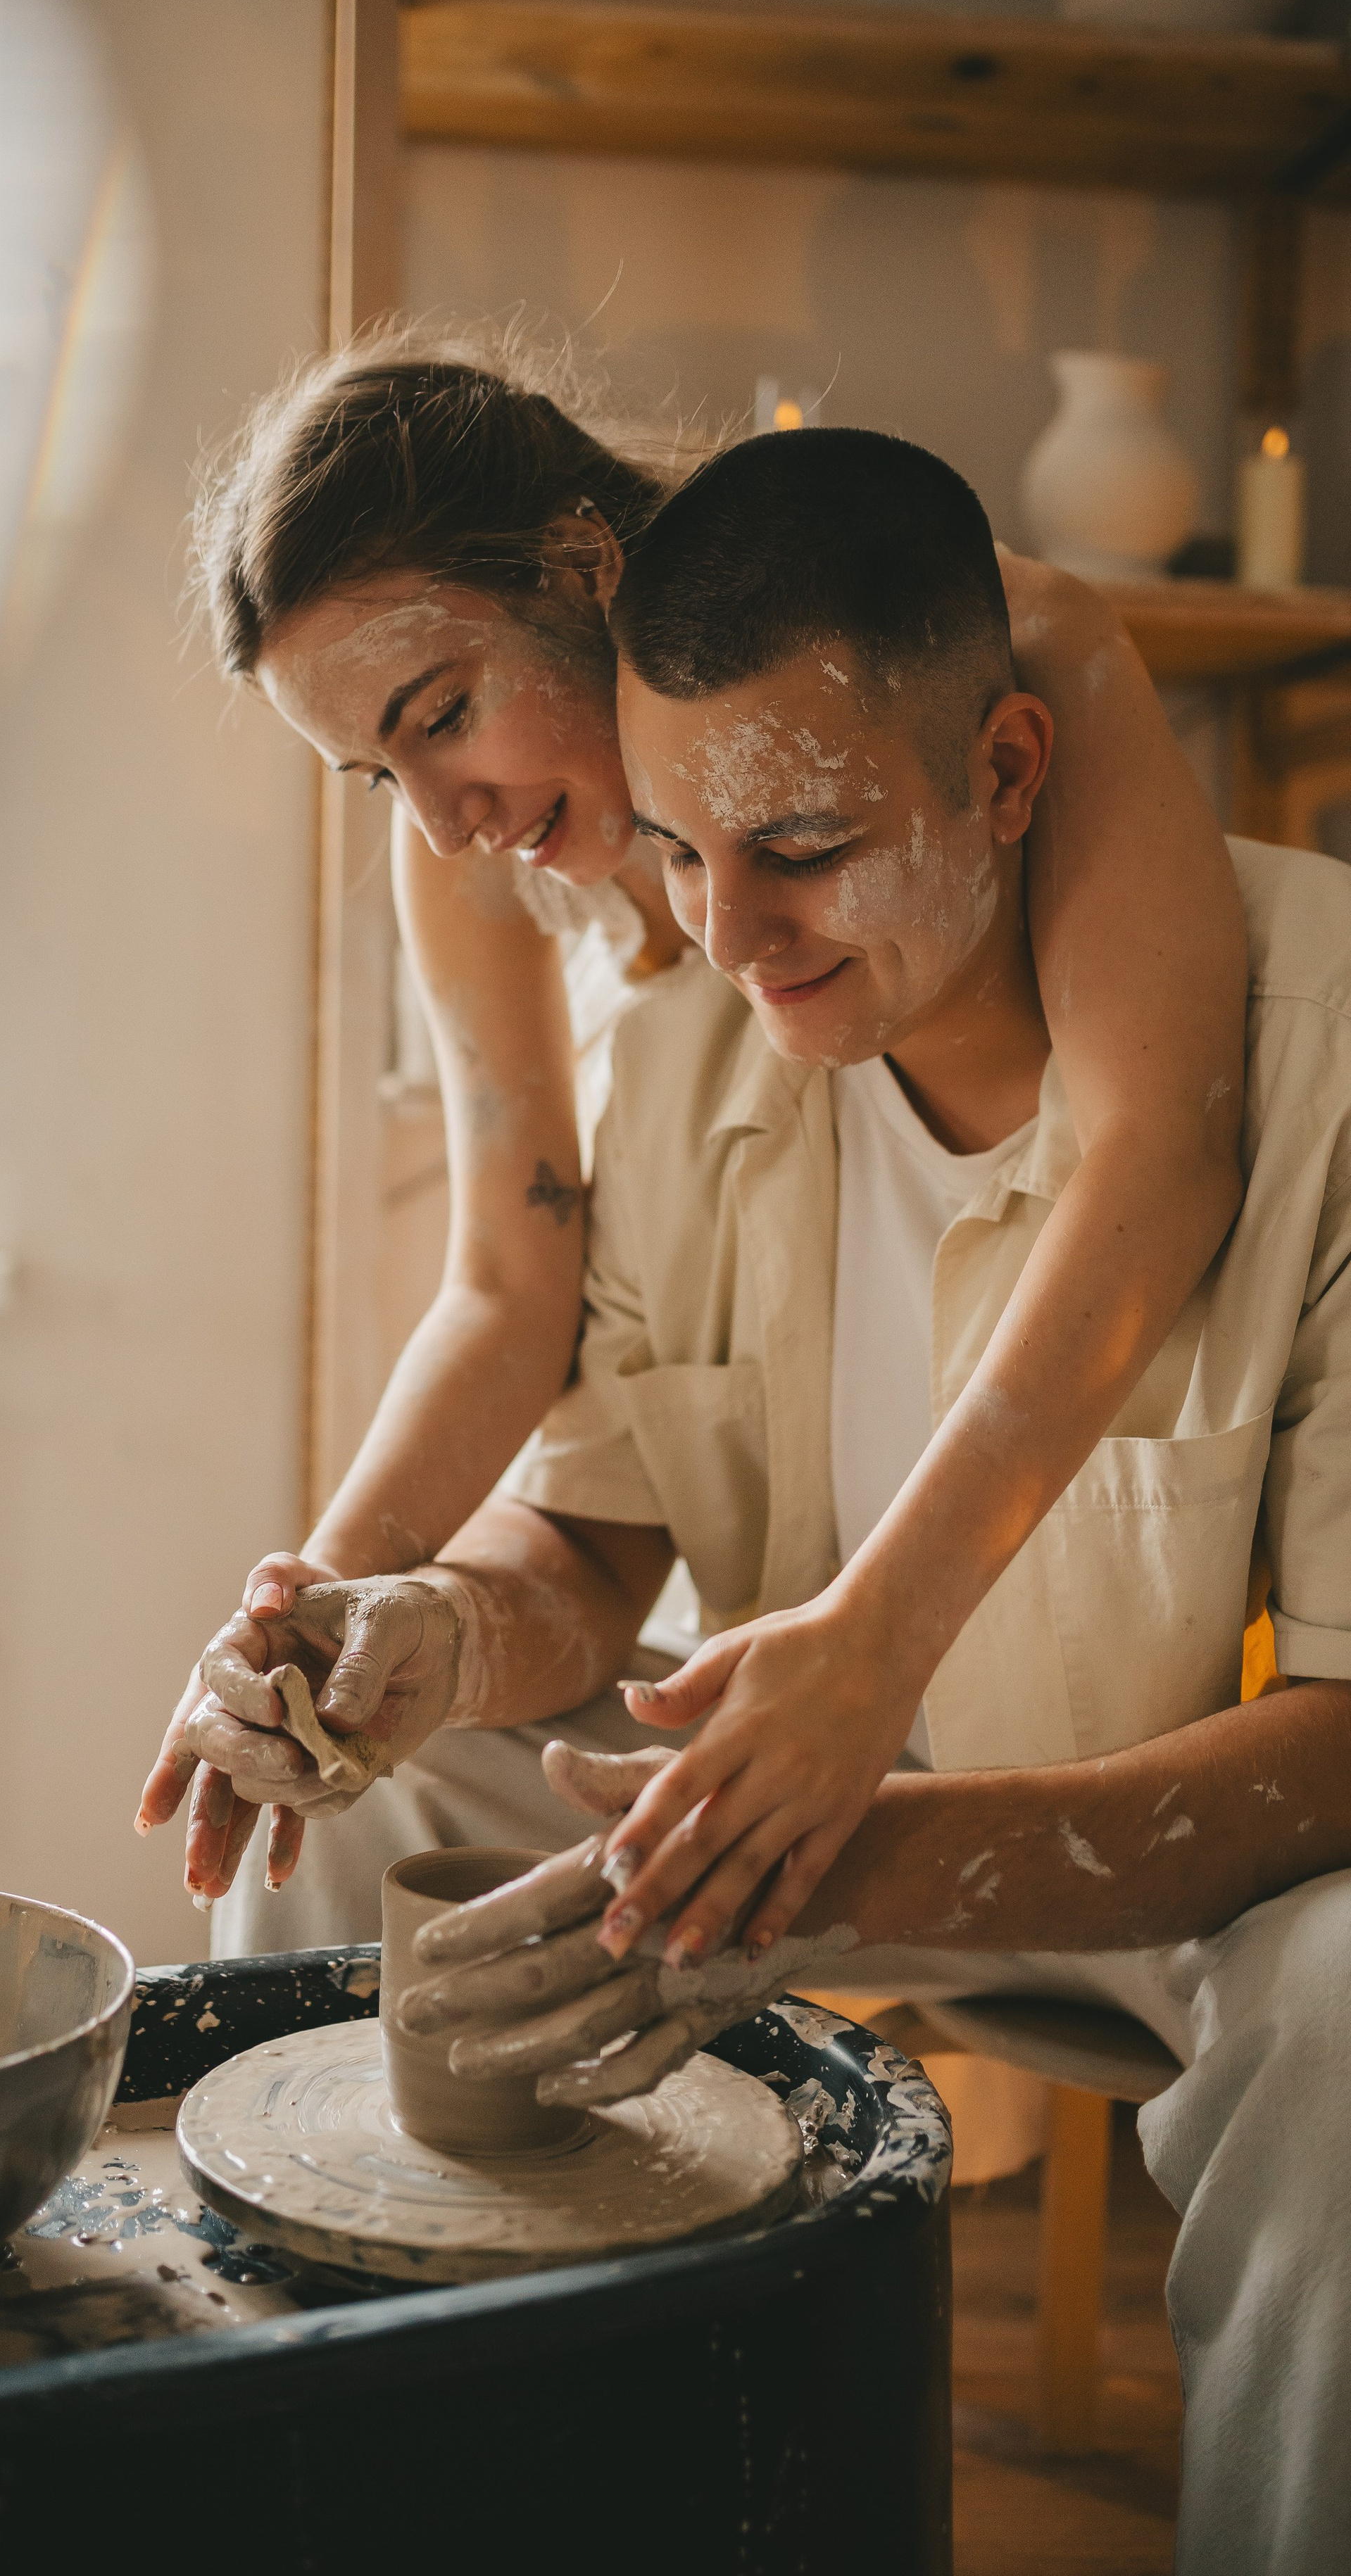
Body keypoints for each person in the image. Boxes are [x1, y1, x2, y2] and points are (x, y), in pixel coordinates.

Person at [175, 428, 1351, 2576]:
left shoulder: (1307, 1036)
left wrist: (833, 1842)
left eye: (800, 845)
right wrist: (409, 1621)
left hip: (1179, 1876)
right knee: (348, 1776)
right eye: (687, 858)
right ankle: (369, 2488)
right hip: (774, 1809)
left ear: (1005, 777)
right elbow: (598, 1519)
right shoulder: (697, 1015)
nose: (726, 931)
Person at [141, 331, 1245, 1949]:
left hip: (1021, 1523)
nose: (443, 818)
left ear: (580, 569)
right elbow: (508, 1290)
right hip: (731, 1473)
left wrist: (880, 1636)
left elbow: (1152, 1154)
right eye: (378, 774)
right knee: (363, 1783)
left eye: (442, 714)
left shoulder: (988, 647)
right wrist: (308, 1620)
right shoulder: (469, 857)